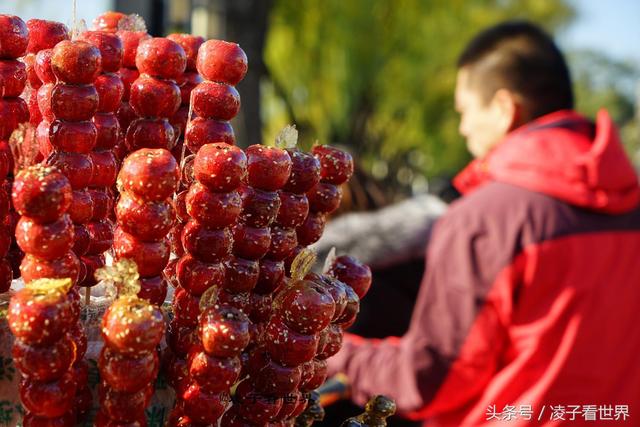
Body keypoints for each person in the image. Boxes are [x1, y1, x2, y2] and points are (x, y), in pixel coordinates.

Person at [327, 20, 640, 426]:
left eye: (465, 111)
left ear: (505, 109)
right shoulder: (629, 202)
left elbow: (430, 379)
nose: (462, 127)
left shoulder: (486, 220)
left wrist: (331, 349)